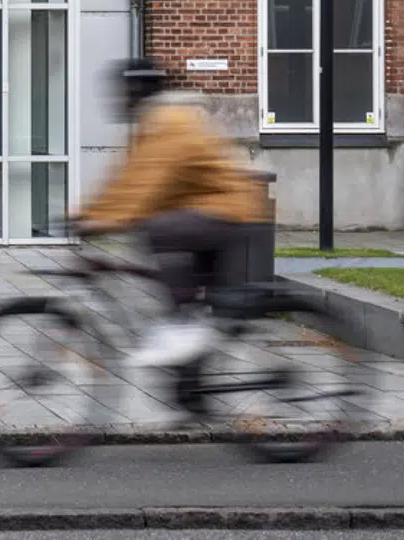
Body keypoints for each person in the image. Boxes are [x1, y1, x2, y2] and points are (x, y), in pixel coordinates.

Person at [71, 58, 266, 369]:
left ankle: (181, 325)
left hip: (227, 210)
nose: (116, 100)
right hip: (208, 213)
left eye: (121, 93)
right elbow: (125, 181)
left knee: (159, 229)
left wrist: (106, 221)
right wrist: (84, 214)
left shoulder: (169, 123)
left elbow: (145, 187)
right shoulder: (150, 127)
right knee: (193, 299)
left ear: (137, 91)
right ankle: (192, 380)